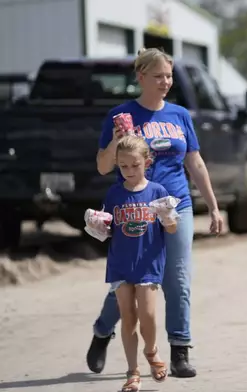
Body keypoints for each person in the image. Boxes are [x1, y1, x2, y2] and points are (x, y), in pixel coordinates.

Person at [87, 47, 225, 378]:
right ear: (141, 78)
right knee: (129, 280)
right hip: (134, 208)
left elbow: (195, 161)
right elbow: (104, 166)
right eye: (158, 76)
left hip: (176, 204)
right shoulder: (121, 115)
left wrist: (214, 206)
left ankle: (180, 349)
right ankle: (102, 331)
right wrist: (115, 143)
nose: (165, 82)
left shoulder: (179, 115)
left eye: (169, 76)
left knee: (176, 278)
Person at [102, 136, 177, 392]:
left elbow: (172, 227)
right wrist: (97, 226)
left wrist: (168, 218)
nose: (130, 171)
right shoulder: (113, 193)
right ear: (117, 165)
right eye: (123, 166)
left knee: (148, 314)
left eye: (135, 165)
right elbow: (107, 229)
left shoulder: (157, 192)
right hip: (120, 262)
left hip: (149, 262)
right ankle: (132, 372)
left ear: (146, 162)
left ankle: (151, 350)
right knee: (128, 318)